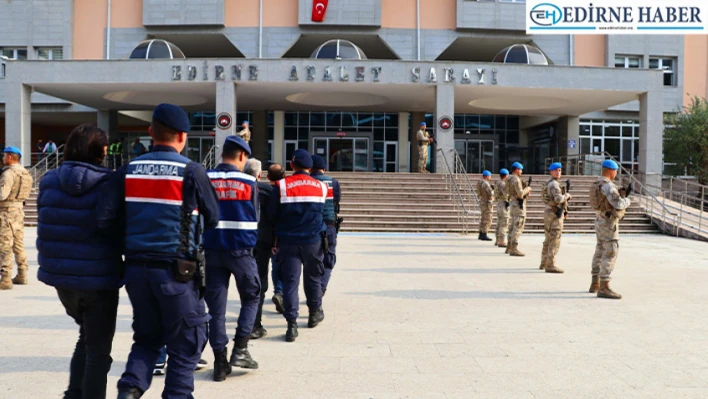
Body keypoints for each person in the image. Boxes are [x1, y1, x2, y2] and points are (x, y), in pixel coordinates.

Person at [98, 103, 220, 399]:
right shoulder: (191, 171)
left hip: (137, 271)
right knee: (187, 342)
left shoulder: (127, 170)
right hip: (177, 275)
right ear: (183, 136)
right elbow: (214, 217)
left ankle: (129, 390)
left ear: (151, 133)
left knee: (147, 339)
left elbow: (103, 220)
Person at [36, 124, 122, 398]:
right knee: (98, 353)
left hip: (62, 280)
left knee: (86, 338)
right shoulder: (110, 182)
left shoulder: (49, 180)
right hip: (99, 280)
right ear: (100, 152)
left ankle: (73, 393)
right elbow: (117, 227)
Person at [202, 137, 260, 382]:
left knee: (216, 310)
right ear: (241, 157)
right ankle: (241, 349)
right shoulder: (249, 180)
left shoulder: (205, 178)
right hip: (240, 251)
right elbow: (255, 215)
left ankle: (219, 362)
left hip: (211, 250)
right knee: (252, 295)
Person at [267, 149, 327, 342]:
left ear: (292, 166)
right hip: (313, 242)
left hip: (288, 242)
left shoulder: (282, 185)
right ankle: (313, 314)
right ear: (310, 167)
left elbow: (272, 215)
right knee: (314, 279)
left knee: (290, 283)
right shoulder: (321, 186)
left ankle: (291, 326)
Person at [251, 162, 286, 339]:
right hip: (264, 240)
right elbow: (275, 217)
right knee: (260, 280)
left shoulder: (242, 187)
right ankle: (254, 324)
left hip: (238, 241)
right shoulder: (269, 191)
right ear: (259, 175)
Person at [588, 160, 630, 299]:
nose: (616, 174)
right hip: (608, 223)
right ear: (611, 171)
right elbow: (618, 203)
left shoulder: (597, 183)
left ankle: (595, 283)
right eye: (616, 171)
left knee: (599, 250)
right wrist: (628, 201)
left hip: (599, 220)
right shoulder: (608, 186)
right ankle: (604, 287)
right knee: (611, 251)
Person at [0, 146, 33, 290]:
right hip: (18, 211)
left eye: (4, 156)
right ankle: (22, 274)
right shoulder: (26, 173)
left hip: (6, 212)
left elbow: (2, 194)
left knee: (5, 244)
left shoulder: (8, 174)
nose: (2, 158)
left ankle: (6, 279)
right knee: (18, 244)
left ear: (10, 157)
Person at [310, 155, 341, 296]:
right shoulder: (333, 183)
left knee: (311, 262)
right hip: (329, 225)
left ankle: (314, 290)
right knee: (329, 260)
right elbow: (336, 203)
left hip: (310, 227)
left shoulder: (307, 181)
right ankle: (321, 287)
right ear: (324, 168)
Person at [540, 162, 572, 274]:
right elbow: (558, 199)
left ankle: (544, 262)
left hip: (550, 211)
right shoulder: (554, 184)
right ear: (551, 171)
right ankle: (551, 264)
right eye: (556, 170)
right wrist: (567, 196)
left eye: (560, 170)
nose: (558, 172)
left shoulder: (549, 183)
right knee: (554, 239)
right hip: (554, 213)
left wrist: (565, 210)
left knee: (548, 238)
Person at [505, 162, 532, 257]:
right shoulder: (516, 179)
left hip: (512, 203)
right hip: (518, 205)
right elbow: (520, 194)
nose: (521, 171)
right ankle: (514, 248)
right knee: (518, 226)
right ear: (516, 170)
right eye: (520, 169)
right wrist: (528, 189)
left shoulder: (508, 179)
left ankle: (509, 246)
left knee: (512, 226)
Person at [476, 170, 494, 241]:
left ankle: (481, 233)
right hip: (487, 203)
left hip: (482, 201)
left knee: (483, 218)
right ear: (486, 176)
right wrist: (493, 190)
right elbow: (490, 193)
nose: (490, 177)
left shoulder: (479, 182)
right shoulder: (486, 184)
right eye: (489, 176)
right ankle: (484, 233)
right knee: (488, 218)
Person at [494, 169, 510, 248]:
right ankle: (502, 241)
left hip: (499, 203)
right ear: (506, 175)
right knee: (504, 223)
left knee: (499, 222)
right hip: (503, 203)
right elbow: (506, 194)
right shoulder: (503, 184)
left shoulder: (497, 183)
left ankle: (497, 239)